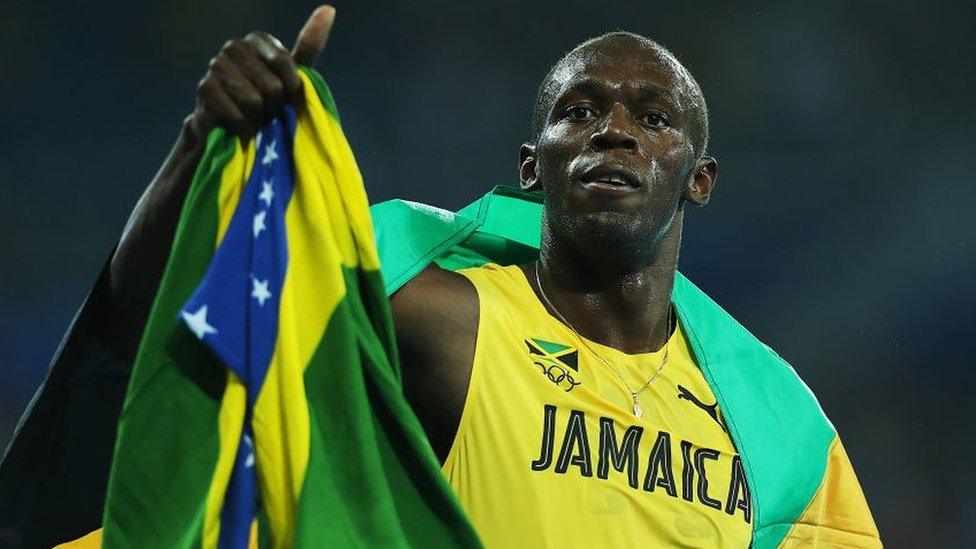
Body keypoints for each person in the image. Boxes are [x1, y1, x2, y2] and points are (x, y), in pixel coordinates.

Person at [2, 5, 881, 548]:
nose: (614, 129)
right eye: (581, 112)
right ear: (533, 167)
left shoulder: (773, 427)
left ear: (699, 176)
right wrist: (202, 145)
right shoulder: (447, 321)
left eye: (653, 117)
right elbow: (170, 326)